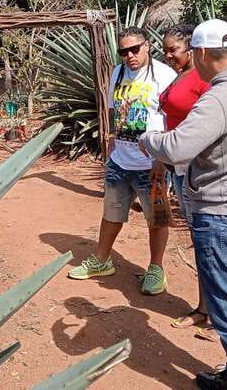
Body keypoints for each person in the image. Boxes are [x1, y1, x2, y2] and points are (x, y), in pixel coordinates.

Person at [139, 19, 227, 390]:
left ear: (200, 53)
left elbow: (177, 147)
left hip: (220, 213)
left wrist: (148, 139)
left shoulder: (220, 97)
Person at [68, 26, 177, 295]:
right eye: (123, 51)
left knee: (158, 219)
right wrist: (112, 134)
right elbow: (112, 107)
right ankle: (102, 260)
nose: (129, 55)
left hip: (152, 164)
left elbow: (174, 117)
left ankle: (156, 268)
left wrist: (162, 158)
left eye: (134, 49)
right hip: (120, 161)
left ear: (148, 46)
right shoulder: (117, 73)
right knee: (112, 213)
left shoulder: (165, 75)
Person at [159, 25, 211, 329]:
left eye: (173, 50)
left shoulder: (203, 80)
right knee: (198, 237)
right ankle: (204, 307)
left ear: (191, 49)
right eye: (165, 50)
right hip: (178, 168)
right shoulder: (180, 75)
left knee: (205, 239)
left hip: (195, 167)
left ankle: (213, 311)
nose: (168, 56)